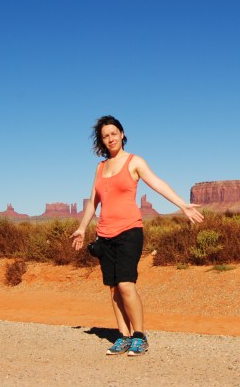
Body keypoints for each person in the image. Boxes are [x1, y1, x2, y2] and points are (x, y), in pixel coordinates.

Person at [70, 115, 204, 356]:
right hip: (104, 234)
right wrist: (82, 227)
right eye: (105, 136)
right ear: (101, 141)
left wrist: (182, 205)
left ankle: (140, 336)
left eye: (113, 133)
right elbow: (93, 201)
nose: (110, 138)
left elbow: (157, 183)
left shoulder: (134, 162)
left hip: (129, 231)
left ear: (122, 134)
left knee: (126, 284)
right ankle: (123, 336)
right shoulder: (100, 167)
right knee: (113, 288)